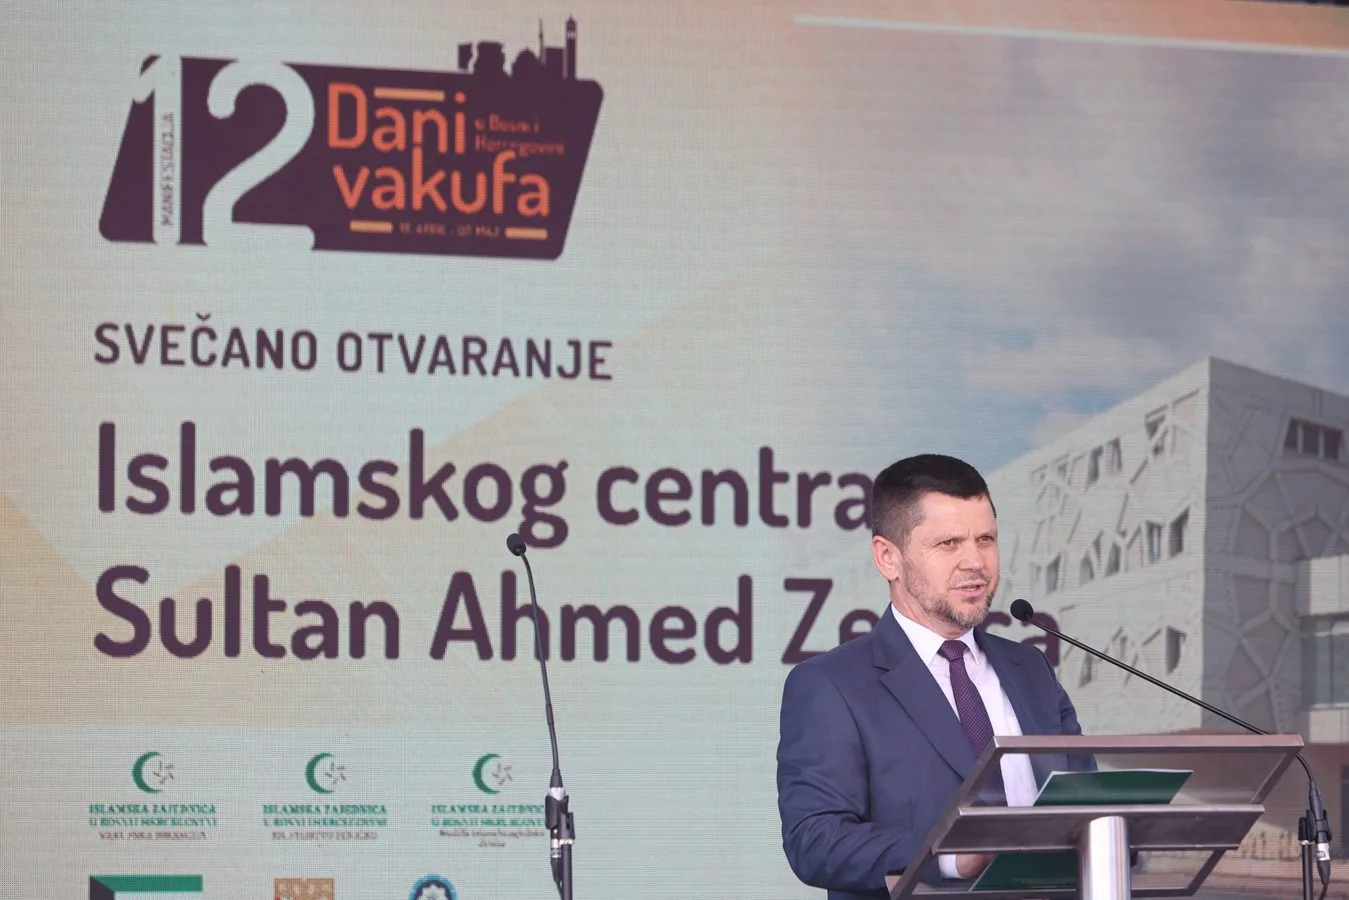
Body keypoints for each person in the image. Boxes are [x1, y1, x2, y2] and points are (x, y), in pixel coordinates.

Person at [776, 454, 1086, 900]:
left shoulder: (1031, 670)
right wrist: (950, 853)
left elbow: (1086, 809)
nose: (975, 562)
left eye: (985, 539)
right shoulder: (831, 686)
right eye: (948, 543)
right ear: (888, 558)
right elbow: (815, 840)